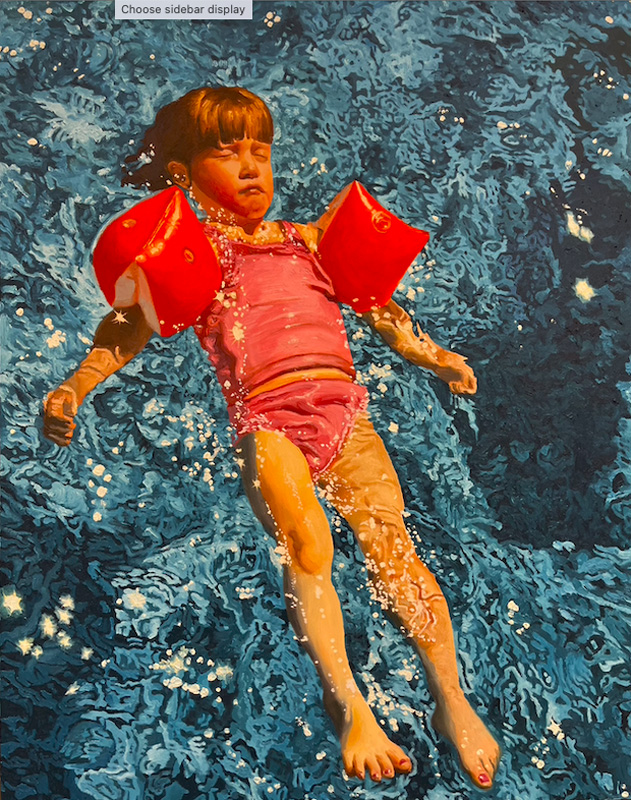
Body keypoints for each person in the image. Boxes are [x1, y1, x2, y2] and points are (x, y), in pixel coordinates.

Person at [43, 87, 501, 788]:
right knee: (309, 545)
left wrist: (430, 356)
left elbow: (380, 307)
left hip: (345, 411)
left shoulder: (309, 240)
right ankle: (348, 705)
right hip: (267, 420)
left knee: (395, 551)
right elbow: (126, 326)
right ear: (183, 172)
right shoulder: (192, 256)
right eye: (228, 153)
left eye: (261, 150)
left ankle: (453, 701)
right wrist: (77, 385)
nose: (253, 167)